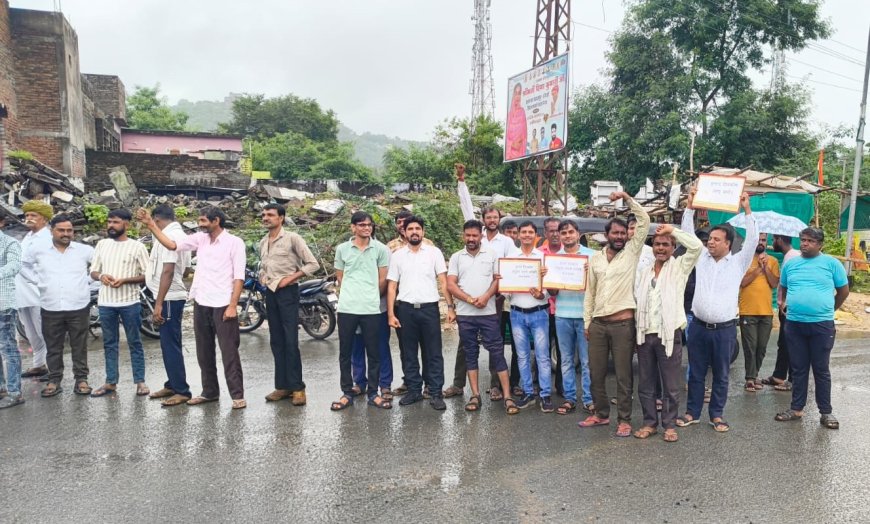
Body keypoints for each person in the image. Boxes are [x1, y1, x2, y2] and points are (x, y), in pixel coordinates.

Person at [138, 206, 247, 410]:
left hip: (223, 303)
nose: (200, 224)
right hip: (202, 300)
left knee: (229, 351)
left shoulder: (234, 242)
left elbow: (239, 277)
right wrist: (151, 225)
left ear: (216, 221)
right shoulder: (200, 239)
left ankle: (237, 395)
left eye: (204, 221)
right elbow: (172, 245)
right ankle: (210, 392)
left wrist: (233, 305)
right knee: (203, 351)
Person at [677, 190, 757, 432]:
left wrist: (747, 209)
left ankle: (717, 415)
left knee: (721, 375)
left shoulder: (739, 262)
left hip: (724, 330)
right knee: (696, 373)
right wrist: (690, 207)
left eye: (715, 239)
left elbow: (752, 240)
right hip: (698, 327)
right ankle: (692, 412)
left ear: (728, 244)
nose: (710, 242)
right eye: (709, 238)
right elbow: (687, 236)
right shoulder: (700, 258)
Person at [579, 191, 649, 437]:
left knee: (623, 375)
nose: (619, 237)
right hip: (598, 324)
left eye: (623, 233)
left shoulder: (631, 253)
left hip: (622, 324)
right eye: (615, 233)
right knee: (595, 372)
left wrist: (627, 198)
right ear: (607, 235)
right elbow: (590, 293)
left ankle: (624, 420)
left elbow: (645, 221)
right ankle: (600, 414)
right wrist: (587, 322)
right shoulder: (596, 259)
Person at [633, 224, 702, 442]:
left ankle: (669, 424)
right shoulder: (644, 273)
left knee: (671, 384)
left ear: (673, 248)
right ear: (652, 247)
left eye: (666, 244)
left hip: (669, 334)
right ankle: (649, 422)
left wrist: (672, 230)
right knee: (645, 382)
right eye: (657, 244)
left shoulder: (680, 267)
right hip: (645, 333)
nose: (661, 248)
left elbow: (697, 246)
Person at [774, 228, 849, 430]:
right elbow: (785, 287)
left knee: (821, 369)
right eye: (802, 240)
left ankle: (826, 412)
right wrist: (785, 303)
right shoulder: (791, 264)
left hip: (821, 325)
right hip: (795, 324)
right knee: (798, 369)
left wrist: (828, 309)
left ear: (820, 244)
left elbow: (843, 290)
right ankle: (796, 408)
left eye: (809, 241)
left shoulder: (831, 264)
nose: (804, 244)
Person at [456, 165, 518, 400]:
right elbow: (466, 207)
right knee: (466, 345)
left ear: (499, 220)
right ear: (482, 221)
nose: (492, 220)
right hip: (470, 301)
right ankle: (458, 384)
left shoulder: (506, 242)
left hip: (498, 299)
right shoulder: (476, 238)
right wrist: (462, 182)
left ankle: (495, 386)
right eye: (488, 217)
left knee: (496, 344)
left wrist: (502, 293)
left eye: (495, 217)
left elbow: (513, 268)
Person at [447, 219, 515, 414]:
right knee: (470, 354)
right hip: (466, 314)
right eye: (467, 235)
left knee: (497, 353)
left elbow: (497, 280)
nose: (471, 239)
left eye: (474, 235)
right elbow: (451, 284)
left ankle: (508, 396)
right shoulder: (456, 257)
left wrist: (486, 297)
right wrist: (469, 299)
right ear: (463, 236)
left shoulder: (492, 255)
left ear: (480, 236)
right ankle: (475, 395)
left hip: (488, 312)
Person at [386, 216, 453, 411]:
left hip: (429, 309)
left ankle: (435, 392)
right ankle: (414, 390)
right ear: (404, 232)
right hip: (406, 309)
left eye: (418, 228)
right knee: (409, 352)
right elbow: (392, 286)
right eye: (410, 229)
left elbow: (443, 281)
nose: (414, 232)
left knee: (433, 352)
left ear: (423, 231)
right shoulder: (397, 255)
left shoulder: (434, 252)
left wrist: (450, 307)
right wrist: (391, 313)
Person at [24, 214, 94, 397]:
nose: (66, 234)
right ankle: (54, 381)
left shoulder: (83, 250)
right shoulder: (39, 250)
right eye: (61, 230)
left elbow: (100, 267)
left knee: (80, 346)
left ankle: (81, 380)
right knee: (53, 346)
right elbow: (23, 265)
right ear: (52, 230)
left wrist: (88, 283)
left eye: (69, 230)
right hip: (50, 305)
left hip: (78, 306)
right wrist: (37, 282)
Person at [259, 203, 319, 405]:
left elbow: (313, 264)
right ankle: (282, 386)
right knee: (276, 340)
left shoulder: (292, 238)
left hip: (288, 293)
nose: (265, 217)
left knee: (290, 340)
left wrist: (291, 278)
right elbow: (265, 266)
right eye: (264, 214)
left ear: (281, 218)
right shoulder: (263, 242)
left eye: (270, 215)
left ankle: (298, 388)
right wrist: (263, 276)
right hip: (271, 293)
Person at [331, 211, 391, 411]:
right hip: (347, 308)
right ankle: (347, 392)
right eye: (362, 225)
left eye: (369, 225)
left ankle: (373, 393)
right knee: (345, 353)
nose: (366, 228)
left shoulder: (380, 249)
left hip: (371, 309)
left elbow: (383, 279)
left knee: (374, 353)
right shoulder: (342, 249)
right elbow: (341, 277)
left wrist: (371, 296)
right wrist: (352, 294)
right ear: (353, 227)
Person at [89, 209, 150, 398]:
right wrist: (102, 276)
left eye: (115, 222)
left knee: (134, 342)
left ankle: (140, 382)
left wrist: (124, 280)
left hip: (130, 303)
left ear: (127, 225)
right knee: (110, 343)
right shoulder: (102, 244)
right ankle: (110, 382)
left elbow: (147, 276)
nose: (111, 226)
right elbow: (93, 272)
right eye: (109, 222)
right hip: (106, 303)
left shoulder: (137, 247)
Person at [144, 205, 192, 407]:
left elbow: (168, 271)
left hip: (170, 297)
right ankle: (172, 384)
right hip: (169, 295)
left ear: (156, 219)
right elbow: (186, 267)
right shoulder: (174, 234)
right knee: (168, 344)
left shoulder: (170, 237)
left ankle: (181, 390)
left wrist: (158, 304)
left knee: (170, 345)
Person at [547, 219, 596, 415]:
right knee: (565, 360)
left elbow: (599, 285)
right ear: (559, 236)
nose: (567, 236)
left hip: (585, 316)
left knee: (586, 361)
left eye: (570, 232)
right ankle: (569, 398)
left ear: (578, 234)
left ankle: (589, 399)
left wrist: (588, 274)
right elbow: (552, 292)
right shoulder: (554, 259)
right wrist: (550, 278)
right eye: (563, 233)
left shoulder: (592, 256)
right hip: (562, 315)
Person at [386, 210, 433, 397]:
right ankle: (409, 382)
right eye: (400, 222)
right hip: (401, 304)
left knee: (428, 347)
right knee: (406, 348)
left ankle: (430, 383)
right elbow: (389, 278)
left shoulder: (428, 245)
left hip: (424, 301)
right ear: (399, 226)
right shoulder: (390, 247)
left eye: (407, 222)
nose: (402, 225)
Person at [507, 221, 551, 412]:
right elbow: (505, 290)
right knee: (522, 356)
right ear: (517, 235)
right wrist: (504, 284)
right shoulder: (510, 258)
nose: (526, 235)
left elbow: (549, 285)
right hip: (517, 312)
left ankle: (545, 394)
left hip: (539, 312)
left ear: (536, 235)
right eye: (523, 232)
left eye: (530, 232)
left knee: (542, 356)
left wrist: (542, 294)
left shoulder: (543, 258)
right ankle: (527, 392)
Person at [738, 233, 779, 392]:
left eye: (763, 240)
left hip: (766, 311)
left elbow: (774, 283)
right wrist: (758, 269)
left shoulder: (773, 261)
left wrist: (766, 267)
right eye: (758, 240)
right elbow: (742, 282)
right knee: (750, 345)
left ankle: (754, 375)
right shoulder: (744, 259)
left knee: (761, 347)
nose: (760, 242)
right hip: (748, 310)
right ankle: (750, 378)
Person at [16, 201, 53, 380]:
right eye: (27, 215)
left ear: (44, 219)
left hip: (38, 290)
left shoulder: (47, 238)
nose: (29, 219)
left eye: (33, 216)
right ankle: (39, 364)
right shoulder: (29, 236)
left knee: (43, 329)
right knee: (29, 330)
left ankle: (53, 367)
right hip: (23, 291)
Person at [763, 234, 801, 390]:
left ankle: (792, 380)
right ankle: (779, 376)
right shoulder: (790, 256)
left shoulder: (792, 258)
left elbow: (791, 284)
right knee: (783, 343)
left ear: (779, 240)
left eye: (774, 240)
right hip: (785, 307)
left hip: (789, 307)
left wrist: (784, 303)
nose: (772, 243)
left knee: (791, 344)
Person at [0, 214, 22, 409]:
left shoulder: (10, 243)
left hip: (3, 304)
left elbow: (15, 266)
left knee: (8, 349)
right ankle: (1, 388)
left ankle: (15, 392)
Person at [505, 83, 528, 160]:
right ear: (513, 95)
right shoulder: (509, 115)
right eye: (516, 93)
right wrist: (512, 144)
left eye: (519, 93)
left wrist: (520, 141)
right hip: (510, 153)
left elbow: (524, 135)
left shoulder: (522, 112)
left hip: (520, 152)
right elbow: (506, 138)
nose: (517, 96)